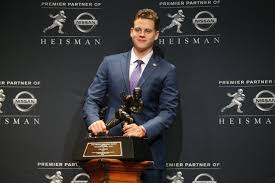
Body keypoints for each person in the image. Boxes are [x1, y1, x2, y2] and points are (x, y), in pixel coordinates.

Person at [83, 8, 178, 182]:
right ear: (131, 31)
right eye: (138, 29)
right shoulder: (109, 63)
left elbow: (168, 112)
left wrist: (142, 130)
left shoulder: (167, 70)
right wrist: (93, 120)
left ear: (156, 35)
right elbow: (92, 99)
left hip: (149, 155)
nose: (142, 34)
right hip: (111, 151)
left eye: (148, 31)